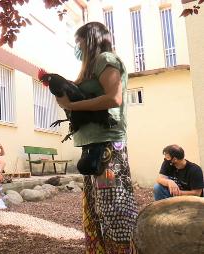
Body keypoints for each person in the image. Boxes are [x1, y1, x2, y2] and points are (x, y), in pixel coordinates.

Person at [55, 22, 137, 253]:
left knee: (113, 209)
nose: (76, 47)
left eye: (79, 42)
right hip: (94, 147)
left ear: (90, 40)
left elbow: (114, 98)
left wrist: (74, 104)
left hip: (106, 148)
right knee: (96, 210)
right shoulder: (93, 66)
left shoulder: (106, 59)